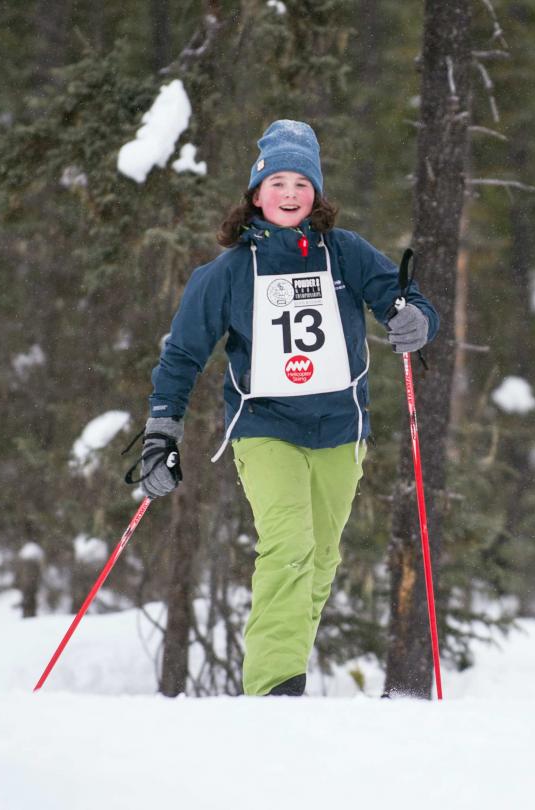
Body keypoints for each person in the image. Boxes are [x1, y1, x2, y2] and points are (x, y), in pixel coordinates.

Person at [135, 120, 439, 697]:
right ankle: (273, 693)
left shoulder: (345, 254)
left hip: (340, 429)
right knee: (290, 545)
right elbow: (182, 355)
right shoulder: (225, 274)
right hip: (265, 427)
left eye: (302, 182)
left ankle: (285, 683)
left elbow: (404, 299)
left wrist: (415, 320)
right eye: (277, 181)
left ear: (316, 195)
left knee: (321, 560)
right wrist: (161, 430)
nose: (290, 193)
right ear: (256, 194)